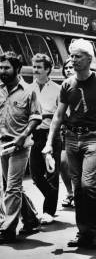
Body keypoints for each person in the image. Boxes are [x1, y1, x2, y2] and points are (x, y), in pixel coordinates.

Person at [42, 39, 96, 249]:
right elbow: (57, 116)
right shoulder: (67, 84)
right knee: (77, 189)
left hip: (94, 138)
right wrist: (49, 143)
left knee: (87, 185)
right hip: (71, 138)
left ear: (89, 59)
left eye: (78, 56)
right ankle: (84, 232)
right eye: (71, 56)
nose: (73, 60)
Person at [0, 52, 42, 244]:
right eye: (0, 68)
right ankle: (32, 219)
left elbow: (36, 117)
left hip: (20, 145)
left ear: (17, 69)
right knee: (12, 187)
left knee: (12, 187)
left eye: (6, 68)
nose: (2, 71)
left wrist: (23, 135)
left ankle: (8, 229)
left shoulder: (29, 90)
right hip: (3, 145)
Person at [28, 54, 62, 225]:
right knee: (35, 175)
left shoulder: (58, 89)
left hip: (52, 135)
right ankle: (51, 195)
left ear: (48, 69)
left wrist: (46, 115)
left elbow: (63, 114)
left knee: (51, 174)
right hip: (35, 135)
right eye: (34, 66)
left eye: (39, 67)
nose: (35, 70)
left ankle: (49, 211)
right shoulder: (28, 88)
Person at [59, 59, 75, 208]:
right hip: (65, 131)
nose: (69, 70)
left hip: (81, 132)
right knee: (63, 162)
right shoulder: (62, 88)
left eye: (71, 67)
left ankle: (78, 193)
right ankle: (70, 193)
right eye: (66, 67)